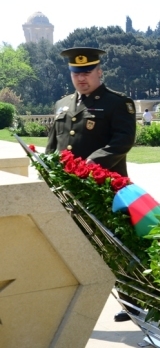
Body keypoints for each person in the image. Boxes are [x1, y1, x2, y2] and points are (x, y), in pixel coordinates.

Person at [45, 47, 137, 322]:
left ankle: (133, 304)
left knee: (116, 246)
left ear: (99, 72)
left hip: (104, 188)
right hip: (68, 190)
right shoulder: (62, 104)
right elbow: (54, 144)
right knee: (70, 246)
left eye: (86, 72)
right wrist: (47, 172)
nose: (81, 78)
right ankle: (69, 300)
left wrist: (88, 167)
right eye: (76, 73)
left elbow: (122, 141)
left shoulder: (117, 103)